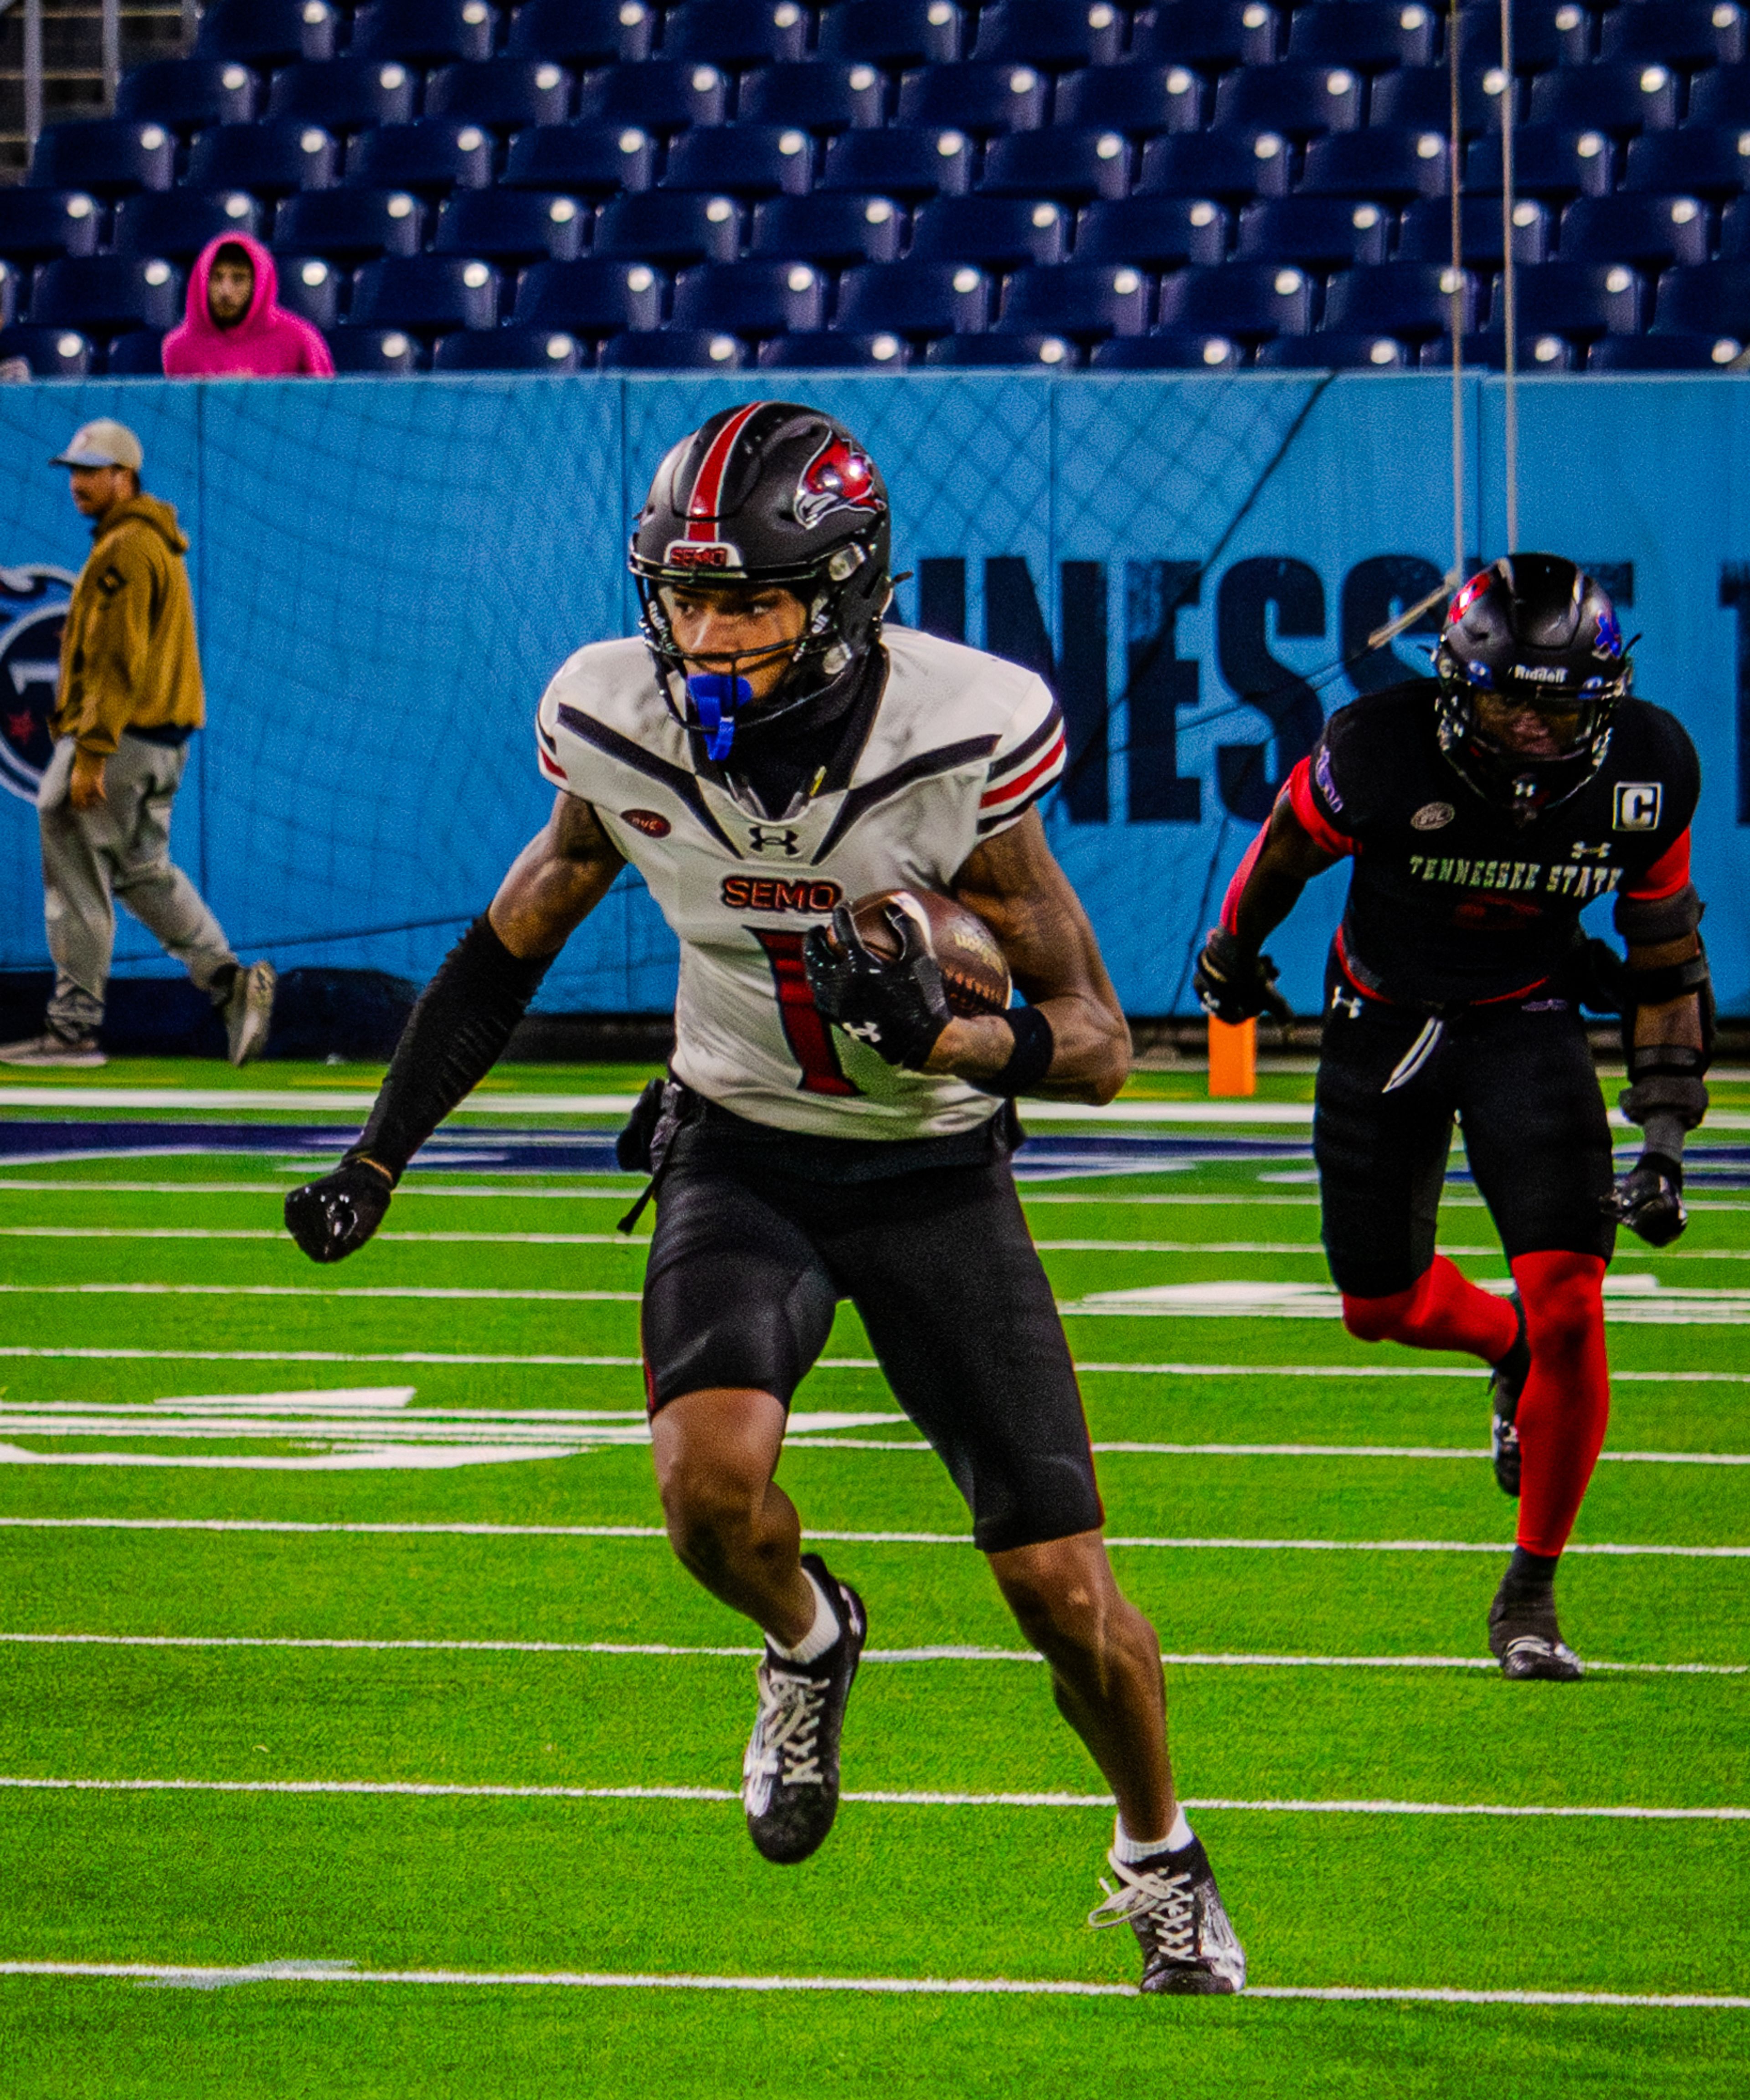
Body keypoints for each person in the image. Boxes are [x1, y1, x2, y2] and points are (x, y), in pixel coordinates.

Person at [283, 401, 1247, 1996]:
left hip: (932, 1171)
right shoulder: (616, 719)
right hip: (739, 1146)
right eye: (684, 596)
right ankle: (812, 1638)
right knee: (705, 1499)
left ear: (846, 595)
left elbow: (1100, 1051)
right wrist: (382, 1152)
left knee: (1060, 1592)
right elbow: (512, 936)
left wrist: (956, 1033)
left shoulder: (960, 736)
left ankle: (1158, 1849)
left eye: (751, 601)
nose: (706, 634)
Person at [1196, 556, 1708, 1680]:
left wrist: (1664, 1136)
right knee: (1375, 1305)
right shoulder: (1375, 748)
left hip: (1527, 1011)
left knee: (1572, 1294)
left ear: (1604, 697)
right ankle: (1500, 1341)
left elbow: (1668, 960)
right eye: (1501, 698)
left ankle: (1530, 1587)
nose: (1527, 726)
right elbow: (1282, 850)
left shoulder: (1649, 767)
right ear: (1451, 687)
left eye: (1554, 701)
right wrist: (1231, 952)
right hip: (1381, 1011)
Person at [0, 419, 275, 1069]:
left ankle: (72, 1029)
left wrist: (90, 751)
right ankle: (229, 982)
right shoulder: (150, 542)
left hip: (119, 739)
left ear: (125, 476)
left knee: (74, 860)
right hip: (157, 740)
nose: (78, 483)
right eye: (73, 470)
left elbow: (118, 661)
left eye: (91, 471)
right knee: (142, 871)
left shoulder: (127, 548)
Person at [161, 233, 334, 380]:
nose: (226, 291)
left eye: (239, 279)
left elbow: (328, 412)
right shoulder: (178, 348)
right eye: (216, 278)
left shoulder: (301, 339)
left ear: (260, 284)